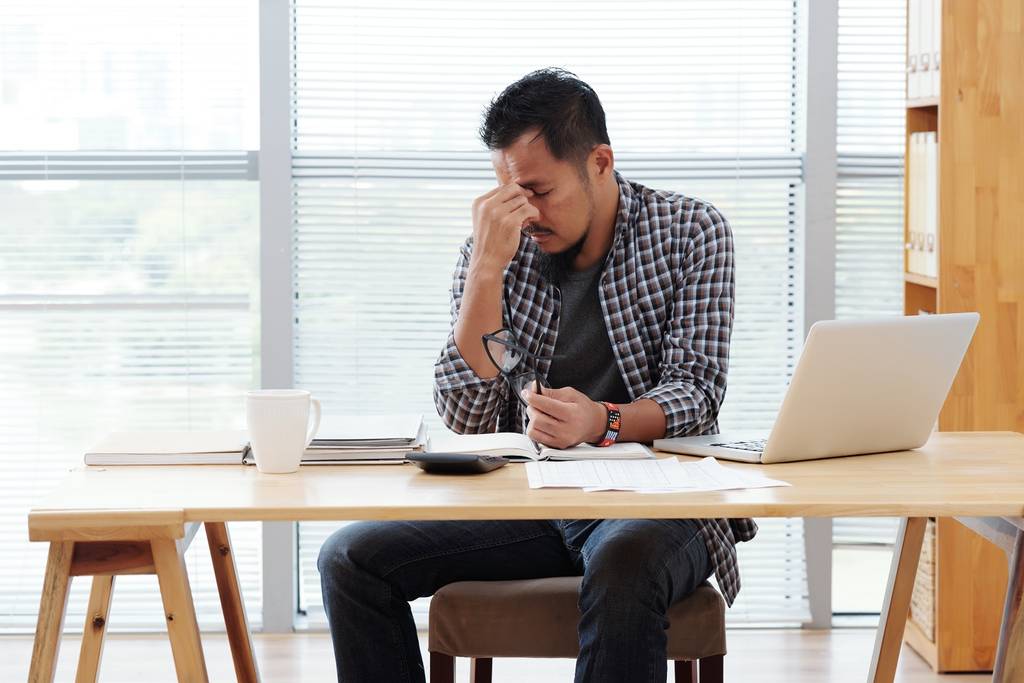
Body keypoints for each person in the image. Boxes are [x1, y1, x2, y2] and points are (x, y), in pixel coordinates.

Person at [318, 67, 757, 683]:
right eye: (509, 192)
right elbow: (466, 417)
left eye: (539, 191)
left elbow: (697, 390)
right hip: (531, 498)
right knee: (349, 558)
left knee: (626, 561)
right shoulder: (497, 248)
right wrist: (486, 271)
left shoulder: (691, 232)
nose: (524, 212)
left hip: (661, 502)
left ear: (599, 162)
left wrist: (600, 422)